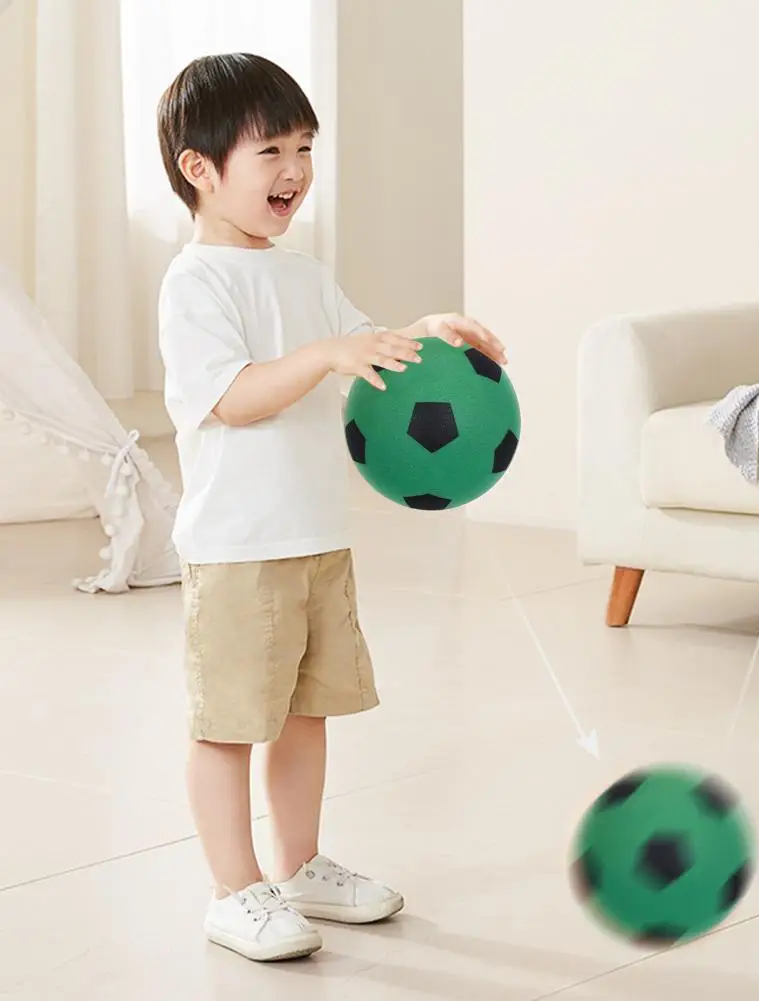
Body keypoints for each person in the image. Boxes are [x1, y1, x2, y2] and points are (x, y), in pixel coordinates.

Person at [156, 52, 507, 963]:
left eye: (304, 145)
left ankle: (300, 862)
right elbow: (230, 397)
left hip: (315, 540)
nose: (294, 169)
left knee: (305, 713)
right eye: (269, 148)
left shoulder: (301, 273)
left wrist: (430, 332)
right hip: (239, 549)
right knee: (230, 722)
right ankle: (234, 890)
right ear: (200, 169)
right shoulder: (196, 283)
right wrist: (319, 359)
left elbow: (361, 346)